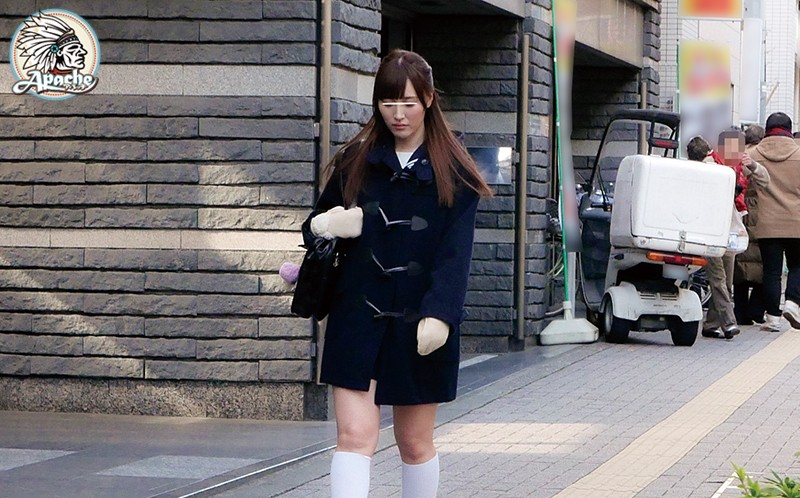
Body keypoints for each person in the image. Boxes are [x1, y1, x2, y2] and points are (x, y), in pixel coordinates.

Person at [301, 49, 492, 498]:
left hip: (420, 321)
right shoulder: (355, 160)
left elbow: (455, 256)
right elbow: (312, 229)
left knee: (414, 442)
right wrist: (330, 225)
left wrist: (440, 314)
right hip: (356, 316)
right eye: (388, 103)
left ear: (428, 99)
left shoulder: (455, 171)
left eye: (408, 103)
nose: (398, 114)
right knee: (354, 436)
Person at [685, 133, 769, 339]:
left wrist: (752, 165)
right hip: (717, 231)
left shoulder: (731, 167)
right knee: (720, 279)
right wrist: (752, 166)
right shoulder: (715, 168)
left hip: (721, 230)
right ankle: (729, 322)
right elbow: (764, 181)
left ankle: (711, 324)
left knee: (723, 280)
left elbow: (763, 180)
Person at [747, 112, 800, 332]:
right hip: (796, 222)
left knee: (771, 272)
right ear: (789, 129)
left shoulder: (752, 154)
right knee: (797, 265)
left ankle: (773, 319)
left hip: (767, 223)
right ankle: (793, 302)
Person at [734, 124, 767, 324]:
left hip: (740, 210)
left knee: (739, 263)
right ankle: (755, 309)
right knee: (762, 263)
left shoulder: (737, 155)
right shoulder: (760, 156)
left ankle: (740, 312)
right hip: (760, 212)